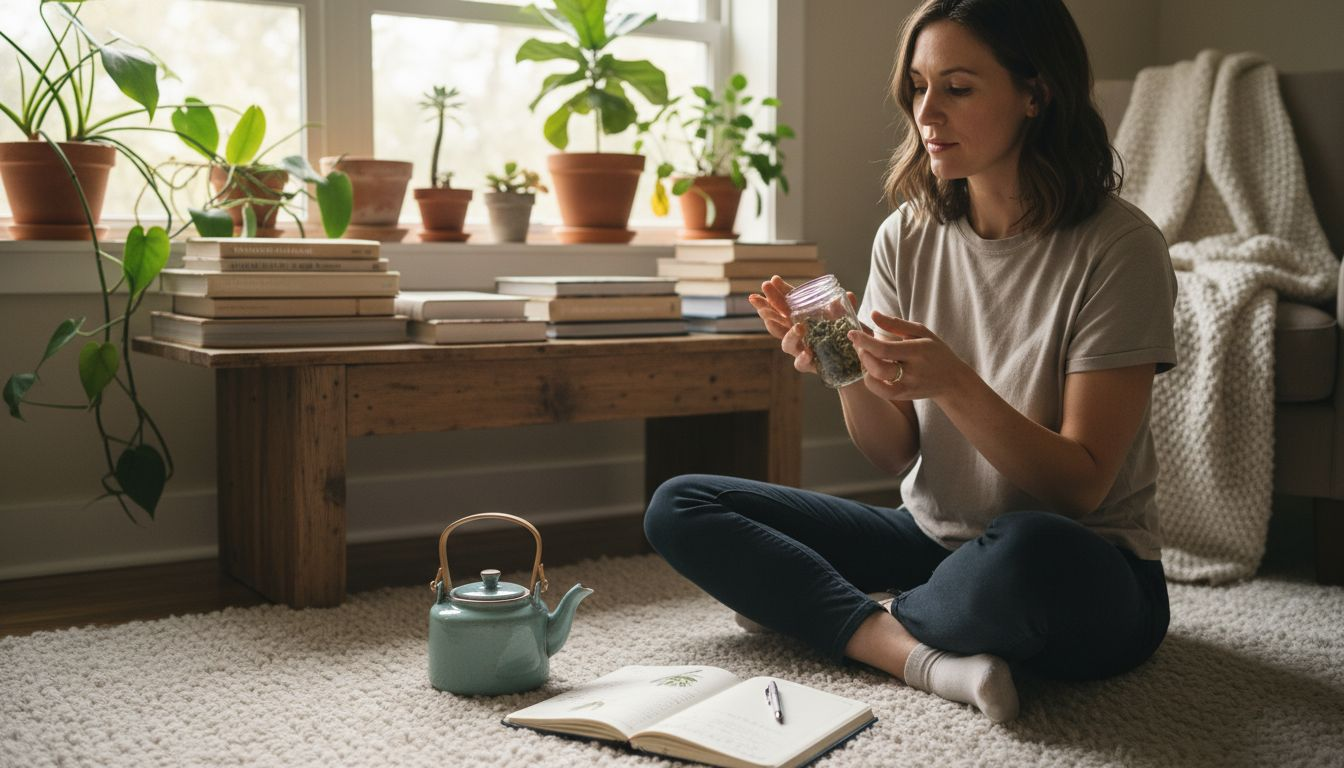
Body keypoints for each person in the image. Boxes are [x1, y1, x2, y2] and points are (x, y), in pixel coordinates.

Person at [643, 0, 1176, 724]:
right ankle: (911, 650)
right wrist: (840, 360)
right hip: (931, 540)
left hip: (1082, 563)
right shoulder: (907, 236)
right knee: (681, 505)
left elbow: (1079, 488)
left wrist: (954, 383)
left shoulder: (1120, 248)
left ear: (1035, 94)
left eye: (957, 88)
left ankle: (829, 610)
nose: (928, 112)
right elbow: (894, 451)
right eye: (918, 88)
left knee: (1027, 552)